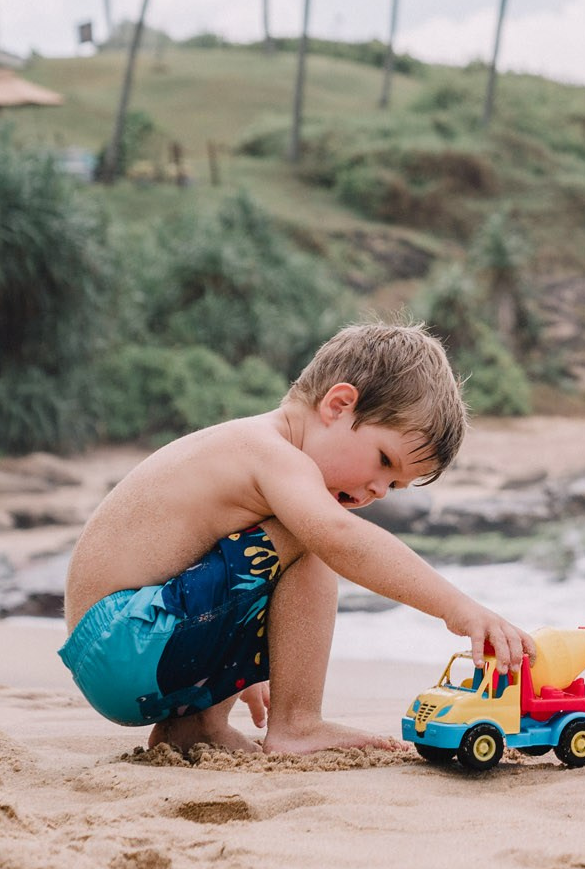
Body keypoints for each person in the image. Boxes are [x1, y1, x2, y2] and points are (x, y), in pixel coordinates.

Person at [59, 323, 532, 754]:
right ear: (338, 405)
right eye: (385, 461)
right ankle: (297, 723)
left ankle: (194, 727)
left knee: (291, 531)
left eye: (394, 487)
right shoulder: (273, 454)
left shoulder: (251, 453)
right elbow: (341, 539)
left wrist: (233, 660)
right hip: (126, 638)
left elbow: (193, 563)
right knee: (311, 534)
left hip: (122, 653)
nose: (377, 491)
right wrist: (459, 608)